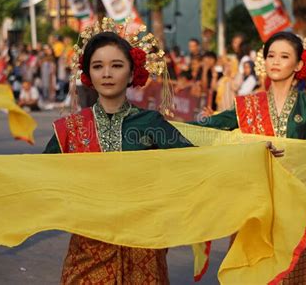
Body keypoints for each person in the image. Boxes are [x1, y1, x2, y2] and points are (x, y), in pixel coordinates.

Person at [191, 31, 306, 283]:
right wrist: (170, 128)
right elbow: (210, 126)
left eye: (284, 56)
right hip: (257, 206)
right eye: (270, 55)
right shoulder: (248, 106)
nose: (275, 61)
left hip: (299, 204)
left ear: (298, 65)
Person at [42, 21, 195, 284]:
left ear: (132, 71)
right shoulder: (71, 128)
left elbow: (198, 164)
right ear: (88, 73)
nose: (107, 74)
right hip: (88, 247)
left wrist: (252, 158)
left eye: (116, 65)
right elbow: (32, 175)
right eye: (98, 66)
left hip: (143, 249)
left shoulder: (150, 123)